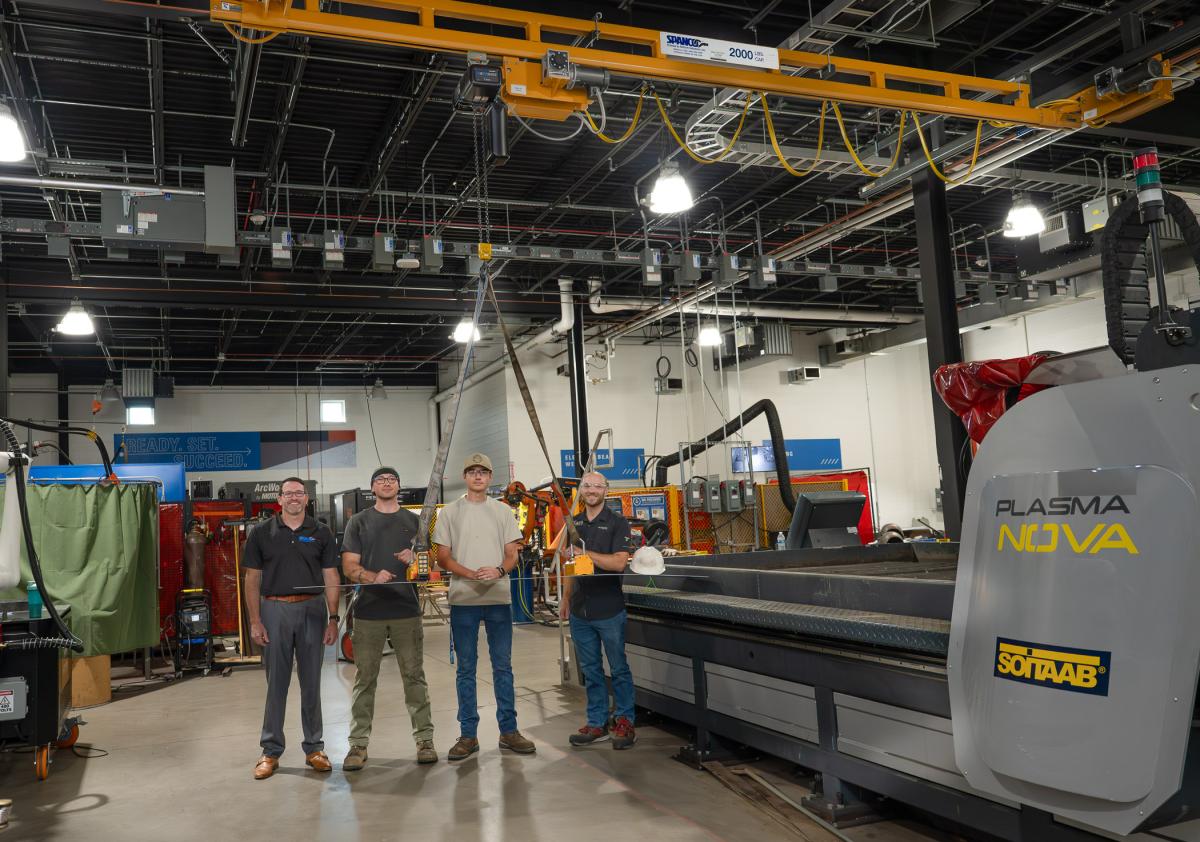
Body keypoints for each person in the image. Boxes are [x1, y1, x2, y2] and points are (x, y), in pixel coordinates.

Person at [434, 453, 536, 761]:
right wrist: (471, 574)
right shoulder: (450, 512)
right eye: (473, 472)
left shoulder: (503, 512)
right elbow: (443, 557)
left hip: (498, 600)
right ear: (465, 477)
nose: (478, 476)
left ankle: (509, 731)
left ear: (490, 478)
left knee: (502, 666)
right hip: (464, 600)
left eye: (483, 472)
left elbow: (511, 554)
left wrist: (499, 571)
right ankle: (468, 735)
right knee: (466, 669)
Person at [242, 478, 340, 780]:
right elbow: (252, 580)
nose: (294, 498)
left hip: (312, 609)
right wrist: (256, 621)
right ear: (280, 499)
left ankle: (314, 748)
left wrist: (333, 617)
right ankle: (271, 751)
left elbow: (331, 576)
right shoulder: (261, 533)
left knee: (311, 683)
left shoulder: (321, 532)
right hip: (274, 610)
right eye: (289, 494)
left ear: (307, 499)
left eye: (299, 493)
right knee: (277, 685)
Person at [341, 466, 436, 769]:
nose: (386, 483)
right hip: (368, 613)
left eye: (391, 479)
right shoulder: (359, 522)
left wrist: (416, 559)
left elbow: (429, 562)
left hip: (406, 611)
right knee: (364, 680)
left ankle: (424, 741)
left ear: (399, 486)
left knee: (414, 678)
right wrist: (370, 576)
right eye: (380, 480)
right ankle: (358, 746)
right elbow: (348, 565)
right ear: (372, 488)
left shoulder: (414, 521)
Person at [560, 471, 636, 750]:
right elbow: (570, 565)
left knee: (618, 669)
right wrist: (566, 597)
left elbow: (618, 563)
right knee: (591, 670)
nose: (592, 490)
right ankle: (597, 723)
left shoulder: (618, 523)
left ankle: (626, 722)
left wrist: (585, 554)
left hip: (609, 610)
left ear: (606, 490)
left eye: (597, 486)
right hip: (581, 610)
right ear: (581, 491)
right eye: (587, 486)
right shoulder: (575, 523)